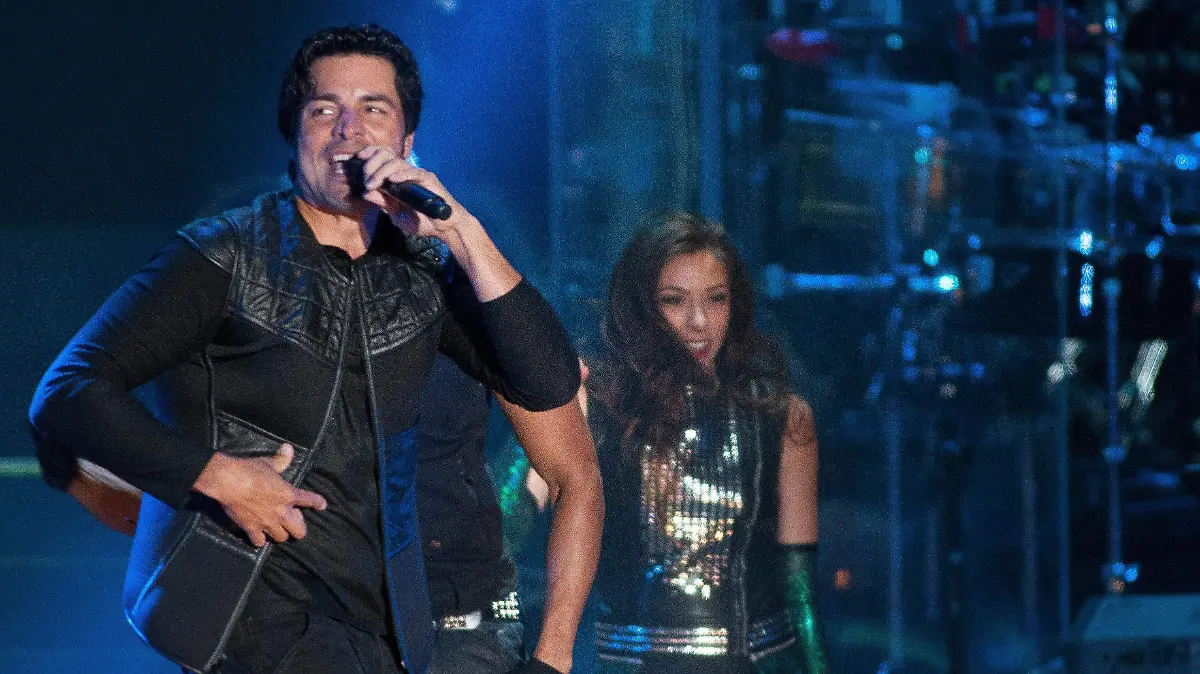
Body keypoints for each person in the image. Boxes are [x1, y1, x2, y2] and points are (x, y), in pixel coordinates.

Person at [28, 23, 587, 674]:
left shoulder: (422, 273)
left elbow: (547, 382)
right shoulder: (224, 255)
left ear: (407, 142)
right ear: (296, 134)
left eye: (373, 109)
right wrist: (218, 475)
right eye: (325, 110)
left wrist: (462, 232)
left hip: (385, 631)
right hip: (252, 617)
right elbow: (67, 394)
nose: (349, 130)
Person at [580, 212, 834, 673]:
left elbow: (800, 596)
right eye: (674, 301)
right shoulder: (594, 405)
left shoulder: (782, 416)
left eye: (716, 299)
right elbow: (505, 519)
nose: (699, 322)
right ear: (641, 306)